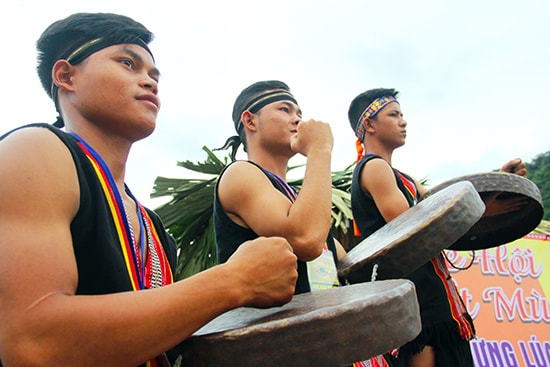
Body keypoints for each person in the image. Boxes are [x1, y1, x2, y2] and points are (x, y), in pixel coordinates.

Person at [0, 13, 298, 367]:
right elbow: (32, 343)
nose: (149, 82)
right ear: (67, 76)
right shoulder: (34, 150)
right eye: (128, 63)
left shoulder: (151, 224)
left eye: (154, 75)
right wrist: (233, 281)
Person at [214, 80, 391, 367]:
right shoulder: (239, 174)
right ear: (250, 120)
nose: (297, 118)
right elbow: (306, 240)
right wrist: (320, 149)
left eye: (299, 111)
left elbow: (348, 261)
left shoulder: (298, 199)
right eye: (285, 109)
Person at [347, 88, 528, 367]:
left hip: (430, 291)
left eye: (402, 115)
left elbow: (443, 204)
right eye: (393, 115)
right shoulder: (373, 168)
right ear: (369, 125)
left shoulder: (402, 178)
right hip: (415, 296)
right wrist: (484, 210)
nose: (403, 121)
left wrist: (497, 183)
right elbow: (417, 229)